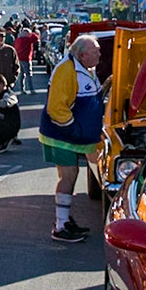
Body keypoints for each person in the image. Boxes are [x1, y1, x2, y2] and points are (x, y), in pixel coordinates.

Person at [39, 34, 104, 243]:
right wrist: (74, 130)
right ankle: (60, 226)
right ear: (83, 55)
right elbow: (56, 108)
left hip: (77, 136)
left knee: (73, 174)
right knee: (68, 175)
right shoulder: (66, 71)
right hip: (61, 136)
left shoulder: (86, 69)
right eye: (96, 51)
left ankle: (64, 220)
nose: (100, 54)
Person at [11, 23, 38, 93]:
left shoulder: (18, 39)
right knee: (29, 74)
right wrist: (32, 32)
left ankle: (22, 89)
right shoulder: (27, 39)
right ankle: (31, 89)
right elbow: (36, 37)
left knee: (22, 75)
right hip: (26, 58)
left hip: (19, 58)